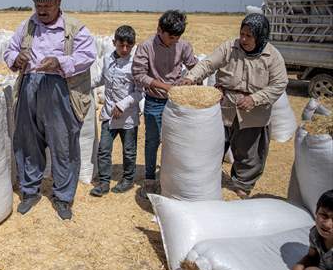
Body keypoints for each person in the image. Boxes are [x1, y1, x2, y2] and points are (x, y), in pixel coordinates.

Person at [3, 0, 96, 220]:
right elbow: (9, 50)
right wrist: (16, 59)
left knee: (63, 145)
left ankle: (63, 197)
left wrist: (59, 62)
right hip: (29, 89)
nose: (41, 11)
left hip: (60, 91)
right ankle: (30, 191)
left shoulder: (75, 29)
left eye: (47, 5)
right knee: (27, 143)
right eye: (38, 6)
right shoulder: (27, 26)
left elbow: (87, 56)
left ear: (59, 0)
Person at [181, 13, 288, 199]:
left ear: (260, 36)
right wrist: (191, 77)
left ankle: (242, 187)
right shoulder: (230, 47)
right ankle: (208, 181)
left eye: (249, 36)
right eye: (242, 34)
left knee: (249, 153)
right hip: (224, 109)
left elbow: (279, 84)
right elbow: (207, 64)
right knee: (212, 146)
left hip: (253, 113)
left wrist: (255, 99)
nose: (243, 39)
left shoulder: (272, 56)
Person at [132, 10, 197, 197]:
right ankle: (150, 179)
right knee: (153, 141)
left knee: (176, 142)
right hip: (154, 102)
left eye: (178, 38)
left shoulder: (183, 46)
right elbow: (138, 75)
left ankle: (171, 179)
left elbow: (194, 66)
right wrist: (165, 86)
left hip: (178, 102)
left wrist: (193, 79)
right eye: (171, 37)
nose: (174, 41)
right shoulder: (146, 47)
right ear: (159, 30)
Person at [89, 25, 143, 197]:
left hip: (128, 117)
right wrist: (82, 84)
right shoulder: (106, 59)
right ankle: (104, 182)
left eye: (129, 46)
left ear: (134, 44)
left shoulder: (137, 64)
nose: (125, 49)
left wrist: (122, 105)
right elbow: (100, 79)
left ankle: (128, 179)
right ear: (114, 43)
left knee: (129, 150)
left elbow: (140, 92)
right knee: (104, 149)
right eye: (121, 45)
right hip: (108, 114)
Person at [287, 189, 333, 270]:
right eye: (324, 215)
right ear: (316, 212)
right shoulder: (315, 234)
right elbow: (312, 256)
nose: (327, 224)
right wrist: (299, 266)